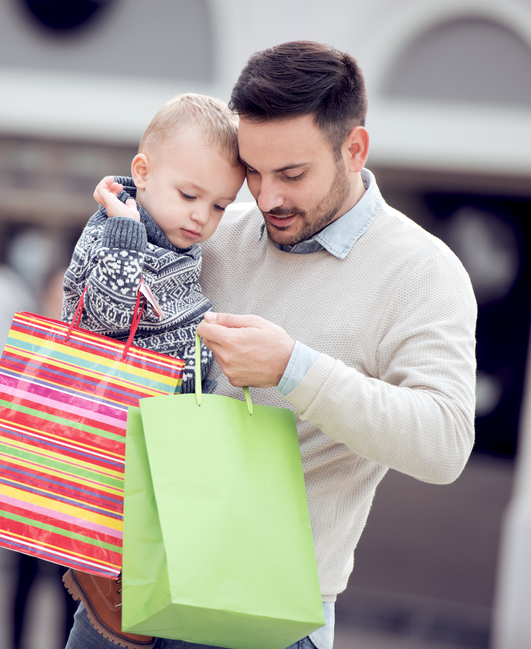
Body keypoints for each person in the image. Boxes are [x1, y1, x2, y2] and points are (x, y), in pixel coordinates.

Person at [74, 41, 477, 649]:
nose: (265, 199)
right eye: (253, 174)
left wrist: (295, 369)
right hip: (125, 598)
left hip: (263, 617)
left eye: (291, 175)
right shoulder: (212, 228)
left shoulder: (422, 271)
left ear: (354, 149)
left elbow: (444, 443)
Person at [60, 93, 245, 647]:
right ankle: (102, 580)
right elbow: (105, 319)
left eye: (219, 206)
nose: (201, 217)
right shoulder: (113, 230)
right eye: (190, 195)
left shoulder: (177, 239)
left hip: (165, 432)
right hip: (117, 433)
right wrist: (123, 230)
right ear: (142, 172)